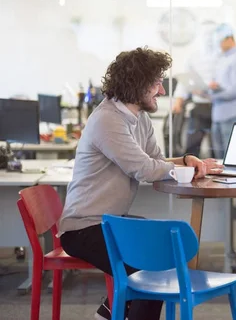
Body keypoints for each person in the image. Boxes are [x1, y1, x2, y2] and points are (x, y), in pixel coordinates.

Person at [58, 47, 223, 320]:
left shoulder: (139, 118)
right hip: (83, 228)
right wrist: (183, 171)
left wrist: (185, 161)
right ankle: (114, 312)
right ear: (137, 86)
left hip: (109, 221)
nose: (161, 90)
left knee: (157, 257)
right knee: (153, 271)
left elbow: (154, 160)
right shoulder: (108, 119)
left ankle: (109, 312)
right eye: (156, 83)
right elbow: (144, 169)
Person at [205, 23, 236, 159]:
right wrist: (212, 88)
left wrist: (212, 95)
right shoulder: (223, 58)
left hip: (231, 117)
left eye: (220, 41)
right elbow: (222, 85)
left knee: (231, 159)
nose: (219, 45)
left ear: (229, 39)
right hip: (218, 115)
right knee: (219, 160)